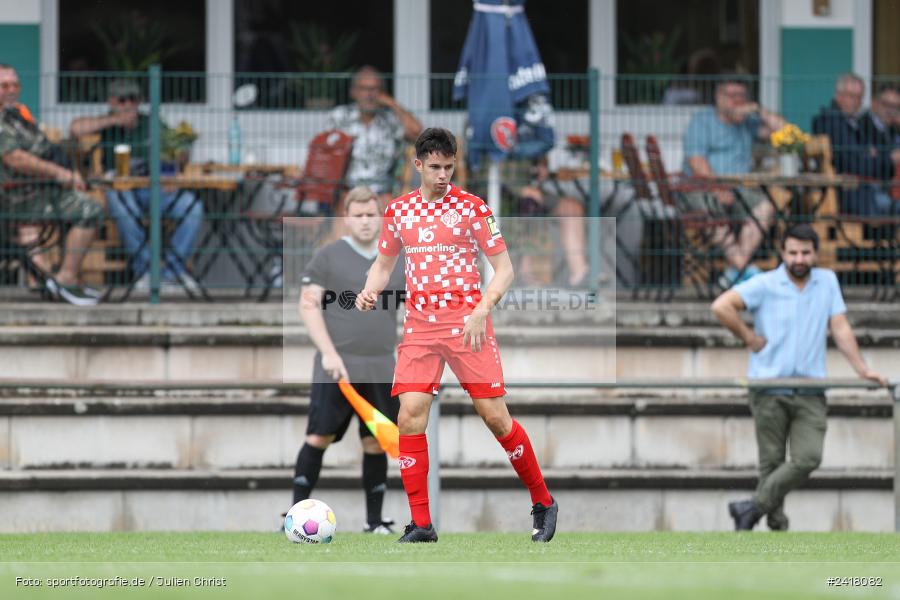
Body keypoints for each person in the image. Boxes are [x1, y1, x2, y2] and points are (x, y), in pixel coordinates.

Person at [356, 128, 558, 543]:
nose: (443, 175)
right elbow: (383, 265)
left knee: (495, 418)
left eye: (449, 167)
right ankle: (422, 524)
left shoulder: (473, 208)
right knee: (409, 415)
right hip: (420, 326)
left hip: (468, 324)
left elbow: (505, 270)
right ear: (418, 165)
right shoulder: (398, 211)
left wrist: (481, 310)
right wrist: (370, 289)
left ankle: (543, 501)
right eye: (435, 167)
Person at [711, 223, 887, 531]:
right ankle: (777, 525)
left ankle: (750, 507)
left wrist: (862, 368)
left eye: (805, 253)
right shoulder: (766, 283)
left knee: (808, 457)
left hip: (810, 387)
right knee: (771, 463)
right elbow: (721, 306)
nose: (799, 259)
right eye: (793, 253)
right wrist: (748, 337)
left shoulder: (827, 281)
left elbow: (840, 327)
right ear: (782, 253)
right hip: (768, 386)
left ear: (816, 254)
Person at [294, 186, 405, 534]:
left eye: (371, 214)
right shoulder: (328, 256)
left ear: (381, 217)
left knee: (376, 441)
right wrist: (329, 353)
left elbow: (413, 308)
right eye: (358, 216)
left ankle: (375, 522)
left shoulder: (395, 259)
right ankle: (294, 517)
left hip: (381, 366)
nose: (365, 221)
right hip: (337, 367)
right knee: (319, 437)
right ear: (346, 218)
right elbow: (308, 305)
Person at [69, 79, 204, 292]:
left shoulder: (150, 123)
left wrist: (175, 166)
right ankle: (146, 272)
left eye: (133, 99)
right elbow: (75, 129)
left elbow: (175, 151)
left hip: (151, 186)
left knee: (191, 206)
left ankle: (172, 274)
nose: (128, 105)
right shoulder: (105, 124)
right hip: (118, 188)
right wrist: (114, 120)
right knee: (124, 207)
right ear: (112, 102)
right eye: (122, 100)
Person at [0, 63, 103, 305]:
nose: (11, 90)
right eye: (4, 86)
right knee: (88, 209)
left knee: (94, 203)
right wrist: (59, 174)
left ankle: (60, 281)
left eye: (15, 85)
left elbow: (44, 148)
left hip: (38, 191)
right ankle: (63, 281)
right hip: (15, 198)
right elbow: (14, 158)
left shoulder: (17, 115)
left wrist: (69, 172)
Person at [682, 76, 785, 284]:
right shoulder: (702, 121)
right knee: (712, 212)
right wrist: (717, 189)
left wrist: (758, 110)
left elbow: (786, 133)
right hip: (701, 187)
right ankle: (742, 267)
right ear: (718, 97)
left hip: (739, 190)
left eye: (741, 96)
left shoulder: (747, 123)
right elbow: (696, 162)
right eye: (731, 96)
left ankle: (734, 272)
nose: (737, 101)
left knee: (765, 207)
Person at [327, 66, 422, 204]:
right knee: (345, 208)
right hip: (348, 189)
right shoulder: (340, 117)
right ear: (354, 92)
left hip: (383, 191)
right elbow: (326, 152)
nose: (369, 94)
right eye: (364, 89)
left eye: (374, 89)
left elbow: (416, 132)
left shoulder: (390, 120)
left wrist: (392, 103)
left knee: (387, 207)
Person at [814, 75, 900, 216]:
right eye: (851, 96)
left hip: (865, 194)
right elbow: (856, 165)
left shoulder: (851, 123)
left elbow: (864, 161)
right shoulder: (832, 122)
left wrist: (868, 156)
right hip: (854, 197)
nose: (856, 102)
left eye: (859, 97)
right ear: (839, 96)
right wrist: (884, 158)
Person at [516, 156, 590, 287]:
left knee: (573, 208)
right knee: (530, 202)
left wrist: (542, 165)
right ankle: (525, 271)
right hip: (504, 184)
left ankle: (580, 273)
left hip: (535, 187)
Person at [853, 83, 900, 216]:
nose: (891, 110)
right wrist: (890, 158)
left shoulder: (893, 128)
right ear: (874, 103)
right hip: (867, 192)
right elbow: (867, 164)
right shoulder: (861, 126)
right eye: (887, 105)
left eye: (896, 106)